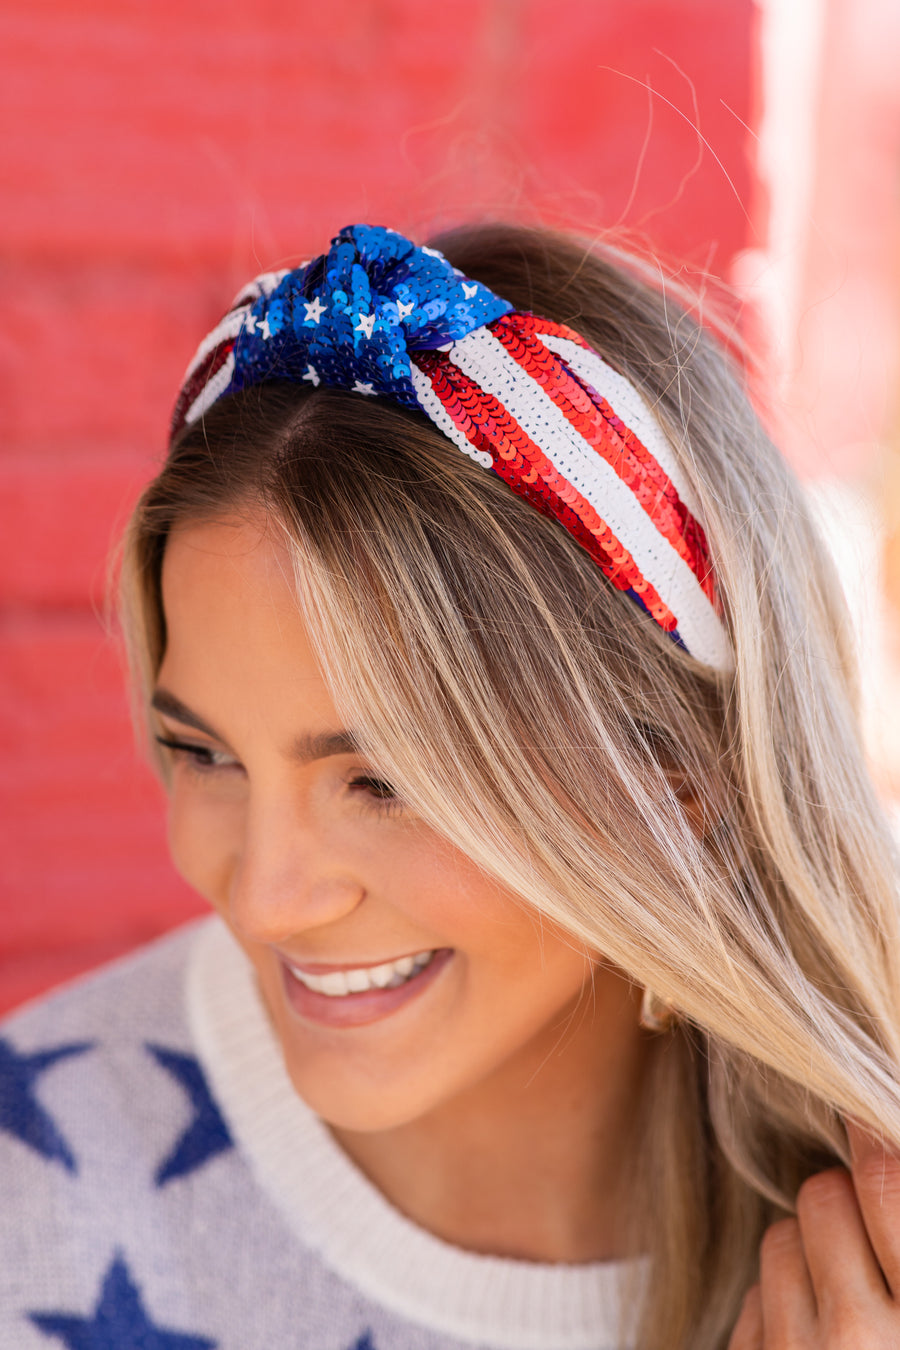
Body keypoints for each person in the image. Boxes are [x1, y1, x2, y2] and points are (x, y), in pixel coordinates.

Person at [2, 222, 900, 1350]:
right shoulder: (31, 1191)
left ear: (683, 779)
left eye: (383, 781)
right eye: (206, 753)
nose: (268, 901)